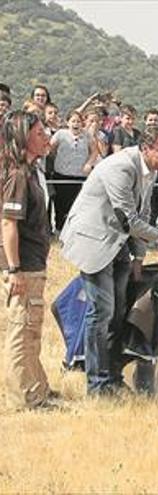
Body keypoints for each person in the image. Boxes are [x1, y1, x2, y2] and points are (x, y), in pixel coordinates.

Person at [60, 124, 158, 395]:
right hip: (93, 241)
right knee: (102, 312)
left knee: (119, 310)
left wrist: (139, 257)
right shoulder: (120, 167)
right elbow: (129, 220)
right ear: (146, 148)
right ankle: (97, 384)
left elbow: (142, 212)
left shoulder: (151, 170)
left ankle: (112, 375)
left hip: (117, 242)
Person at [0, 110, 58, 409]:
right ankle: (23, 397)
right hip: (24, 266)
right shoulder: (18, 175)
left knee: (32, 329)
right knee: (21, 331)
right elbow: (8, 223)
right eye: (39, 133)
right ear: (24, 137)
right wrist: (14, 269)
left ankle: (38, 388)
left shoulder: (32, 170)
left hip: (34, 263)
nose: (45, 137)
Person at [50, 110, 98, 231]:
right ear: (68, 122)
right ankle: (59, 229)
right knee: (60, 204)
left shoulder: (87, 135)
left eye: (78, 121)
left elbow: (94, 151)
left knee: (78, 205)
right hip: (61, 175)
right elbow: (51, 148)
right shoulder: (60, 134)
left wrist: (89, 164)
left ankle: (75, 230)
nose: (76, 124)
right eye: (73, 121)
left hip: (80, 176)